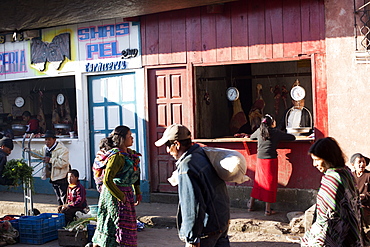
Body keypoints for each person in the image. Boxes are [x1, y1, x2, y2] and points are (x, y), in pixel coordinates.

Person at [154, 123, 230, 247]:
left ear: (177, 144)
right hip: (221, 221)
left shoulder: (187, 166)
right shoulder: (201, 154)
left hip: (207, 229)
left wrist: (192, 238)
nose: (167, 151)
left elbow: (192, 206)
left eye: (168, 146)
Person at [301, 137, 364, 246]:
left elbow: (327, 217)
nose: (314, 164)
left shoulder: (332, 179)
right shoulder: (346, 172)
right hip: (351, 233)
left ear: (327, 158)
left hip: (334, 237)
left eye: (317, 160)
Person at [91, 125, 142, 247]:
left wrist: (138, 192)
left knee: (123, 224)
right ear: (122, 139)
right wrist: (121, 197)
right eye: (129, 136)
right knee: (112, 223)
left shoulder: (131, 155)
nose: (132, 138)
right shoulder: (116, 157)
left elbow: (135, 174)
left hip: (126, 194)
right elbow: (107, 180)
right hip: (114, 195)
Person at [248, 114, 295, 216]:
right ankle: (267, 210)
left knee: (258, 182)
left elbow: (251, 138)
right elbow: (292, 137)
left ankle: (250, 205)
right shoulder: (275, 132)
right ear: (272, 123)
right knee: (269, 184)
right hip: (270, 160)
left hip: (260, 159)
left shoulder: (259, 131)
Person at [30, 130, 70, 205]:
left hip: (62, 176)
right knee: (58, 197)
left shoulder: (63, 150)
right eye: (46, 139)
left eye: (49, 139)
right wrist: (30, 151)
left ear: (54, 140)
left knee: (64, 196)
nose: (47, 142)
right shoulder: (45, 148)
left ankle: (66, 212)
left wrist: (50, 160)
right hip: (53, 176)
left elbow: (63, 163)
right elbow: (39, 154)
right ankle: (61, 210)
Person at [350, 153, 370, 226]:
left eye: (363, 162)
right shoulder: (351, 176)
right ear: (353, 165)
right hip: (353, 204)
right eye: (359, 162)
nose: (362, 164)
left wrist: (363, 197)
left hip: (366, 205)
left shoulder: (368, 175)